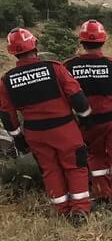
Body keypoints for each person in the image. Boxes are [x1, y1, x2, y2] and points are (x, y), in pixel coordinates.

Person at [0, 27, 93, 223]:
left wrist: (18, 137)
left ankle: (60, 210)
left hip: (35, 133)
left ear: (13, 52)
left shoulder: (7, 80)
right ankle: (80, 211)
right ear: (34, 45)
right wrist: (85, 118)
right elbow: (77, 97)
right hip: (64, 129)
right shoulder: (55, 68)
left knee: (50, 169)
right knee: (75, 166)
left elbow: (7, 114)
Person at [64, 20, 112, 212]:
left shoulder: (69, 66)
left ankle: (102, 195)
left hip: (88, 124)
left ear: (82, 42)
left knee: (95, 158)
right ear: (103, 41)